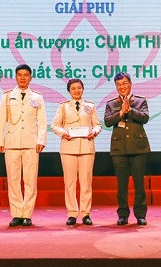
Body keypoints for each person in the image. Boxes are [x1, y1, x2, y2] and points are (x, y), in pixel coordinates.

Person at [0, 64, 47, 227]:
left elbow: (42, 121)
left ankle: (27, 214)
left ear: (31, 77)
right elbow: (1, 119)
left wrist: (41, 140)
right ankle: (17, 213)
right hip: (11, 142)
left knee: (30, 180)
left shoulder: (37, 97)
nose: (22, 78)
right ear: (15, 77)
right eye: (19, 74)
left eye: (25, 75)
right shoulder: (7, 96)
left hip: (31, 143)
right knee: (13, 180)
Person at [51, 78, 102, 226]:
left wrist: (94, 131)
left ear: (83, 89)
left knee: (86, 183)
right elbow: (54, 125)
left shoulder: (90, 106)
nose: (76, 91)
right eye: (73, 88)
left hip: (86, 148)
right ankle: (72, 213)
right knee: (70, 183)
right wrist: (63, 133)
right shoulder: (63, 107)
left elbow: (97, 125)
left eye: (79, 88)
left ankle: (86, 213)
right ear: (69, 91)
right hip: (68, 148)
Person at [103, 72, 150, 226]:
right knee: (121, 185)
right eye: (118, 84)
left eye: (124, 83)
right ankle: (123, 214)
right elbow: (107, 122)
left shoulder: (140, 101)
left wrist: (130, 110)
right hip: (119, 148)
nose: (121, 87)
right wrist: (121, 112)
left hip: (138, 147)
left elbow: (145, 118)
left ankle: (140, 215)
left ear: (130, 84)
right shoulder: (111, 104)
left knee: (139, 184)